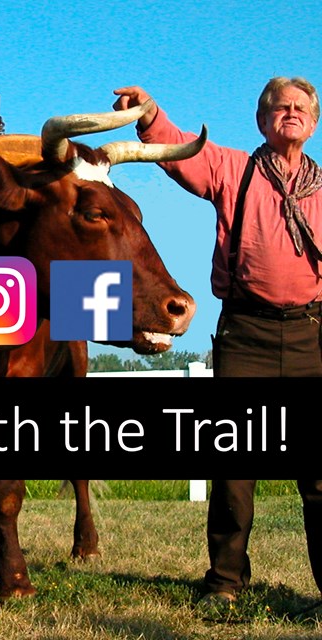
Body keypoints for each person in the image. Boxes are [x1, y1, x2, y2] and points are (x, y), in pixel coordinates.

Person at [112, 78, 322, 608]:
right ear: (262, 120)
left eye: (301, 109)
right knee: (233, 468)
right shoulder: (235, 170)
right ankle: (225, 583)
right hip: (246, 333)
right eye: (280, 107)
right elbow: (183, 152)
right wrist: (150, 113)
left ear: (313, 123)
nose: (290, 114)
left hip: (313, 336)